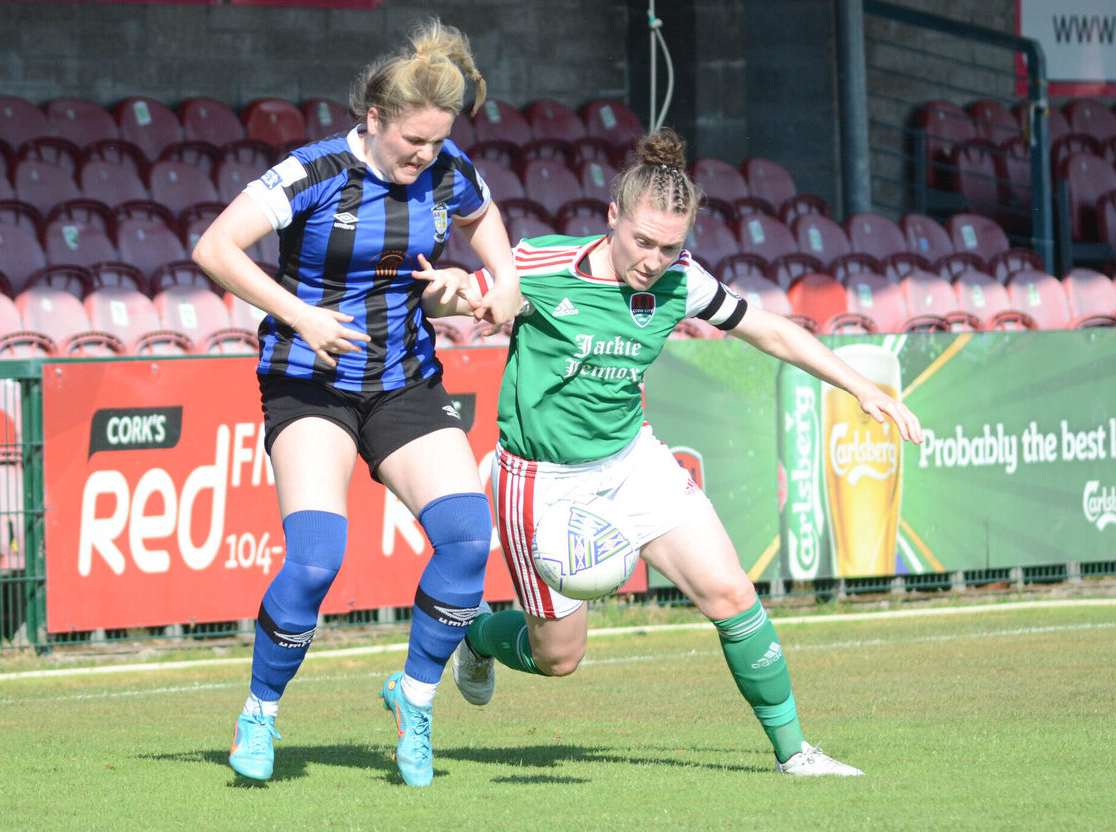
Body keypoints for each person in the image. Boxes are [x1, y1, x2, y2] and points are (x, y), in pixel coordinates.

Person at [420, 128, 923, 777]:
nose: (654, 259)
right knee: (559, 659)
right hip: (541, 482)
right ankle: (479, 635)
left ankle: (795, 753)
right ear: (612, 218)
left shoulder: (682, 281)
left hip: (632, 461)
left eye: (670, 246)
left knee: (731, 593)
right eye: (642, 241)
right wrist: (457, 288)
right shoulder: (543, 267)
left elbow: (767, 329)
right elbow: (461, 294)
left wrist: (860, 387)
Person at [192, 19, 522, 788]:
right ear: (373, 120)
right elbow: (214, 248)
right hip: (308, 384)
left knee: (468, 540)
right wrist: (303, 315)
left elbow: (485, 226)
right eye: (413, 141)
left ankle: (412, 700)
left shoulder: (449, 174)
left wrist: (489, 286)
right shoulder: (312, 172)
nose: (424, 156)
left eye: (437, 142)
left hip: (404, 382)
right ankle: (261, 713)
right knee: (315, 560)